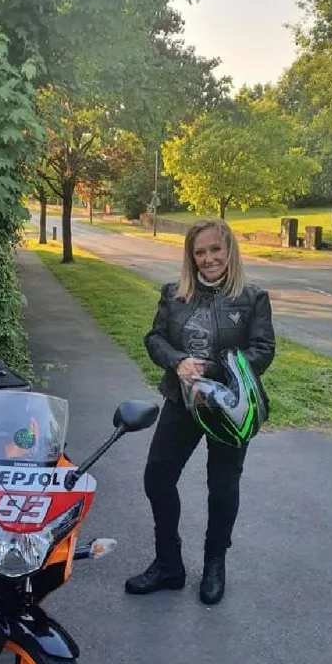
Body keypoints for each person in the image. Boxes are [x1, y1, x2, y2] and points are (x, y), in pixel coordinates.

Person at [125, 218, 275, 605]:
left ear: (229, 251)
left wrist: (212, 368)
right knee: (157, 477)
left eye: (215, 250)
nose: (208, 259)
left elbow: (263, 350)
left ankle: (214, 564)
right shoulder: (175, 293)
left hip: (229, 408)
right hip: (182, 401)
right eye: (200, 252)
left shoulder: (252, 297)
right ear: (191, 257)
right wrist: (177, 362)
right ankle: (168, 564)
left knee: (222, 486)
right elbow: (154, 338)